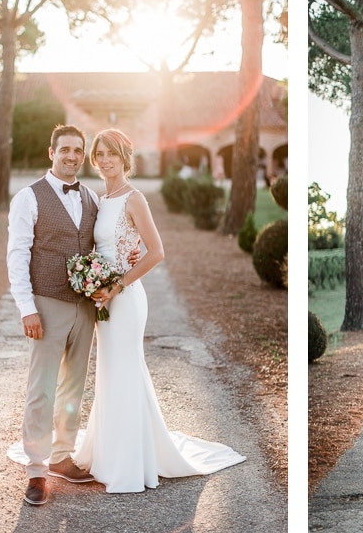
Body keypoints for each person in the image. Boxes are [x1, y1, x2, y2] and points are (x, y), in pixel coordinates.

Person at [71, 128, 246, 493]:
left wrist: (116, 285)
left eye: (112, 155)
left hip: (126, 299)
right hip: (103, 299)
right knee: (111, 373)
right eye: (100, 154)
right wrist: (94, 282)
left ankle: (130, 462)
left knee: (125, 370)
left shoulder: (135, 199)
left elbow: (157, 252)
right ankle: (109, 453)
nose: (104, 161)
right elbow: (111, 248)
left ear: (124, 158)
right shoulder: (104, 199)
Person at [6, 124, 102, 506]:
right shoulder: (28, 198)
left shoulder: (92, 196)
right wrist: (27, 308)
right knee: (41, 389)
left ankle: (62, 456)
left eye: (78, 150)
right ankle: (36, 469)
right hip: (46, 304)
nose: (71, 156)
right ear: (51, 153)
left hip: (85, 309)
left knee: (73, 387)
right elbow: (17, 255)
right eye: (65, 149)